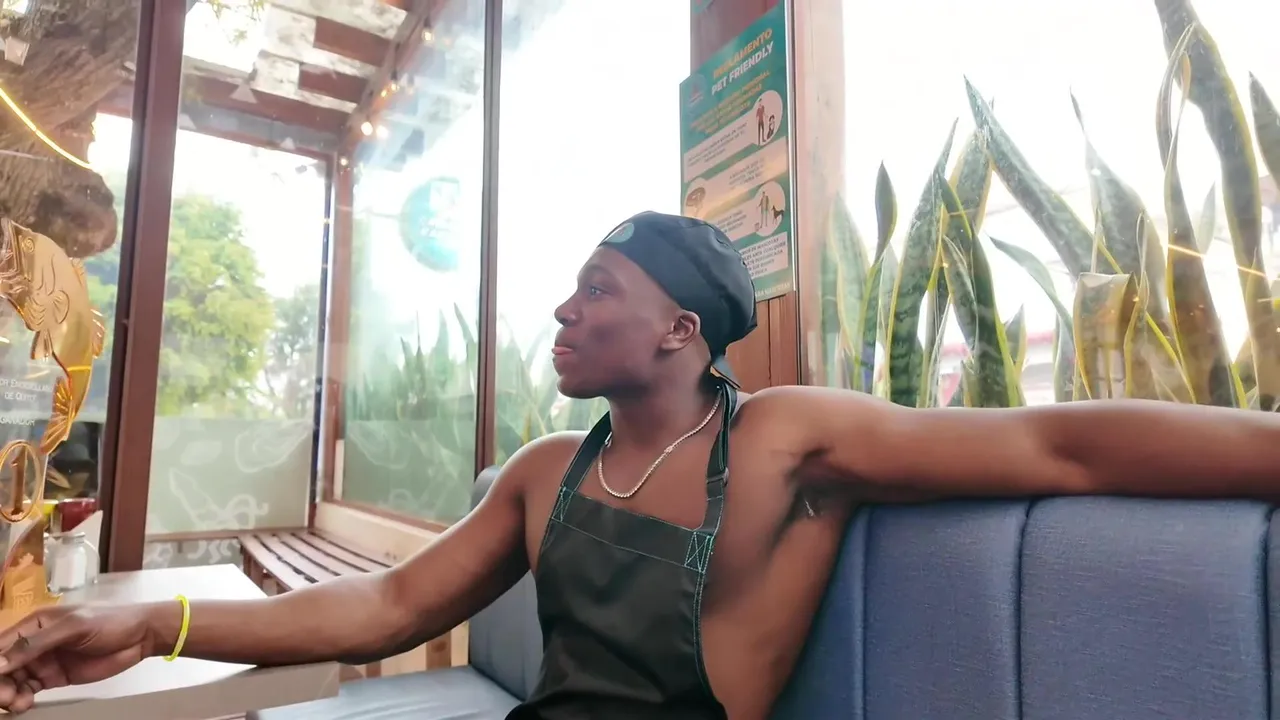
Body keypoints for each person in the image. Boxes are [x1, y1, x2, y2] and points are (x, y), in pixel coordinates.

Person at [0, 211, 1277, 719]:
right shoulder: (548, 466)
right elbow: (386, 606)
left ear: (680, 329)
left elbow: (1057, 441)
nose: (562, 310)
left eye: (596, 289)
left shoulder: (783, 439)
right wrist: (157, 626)